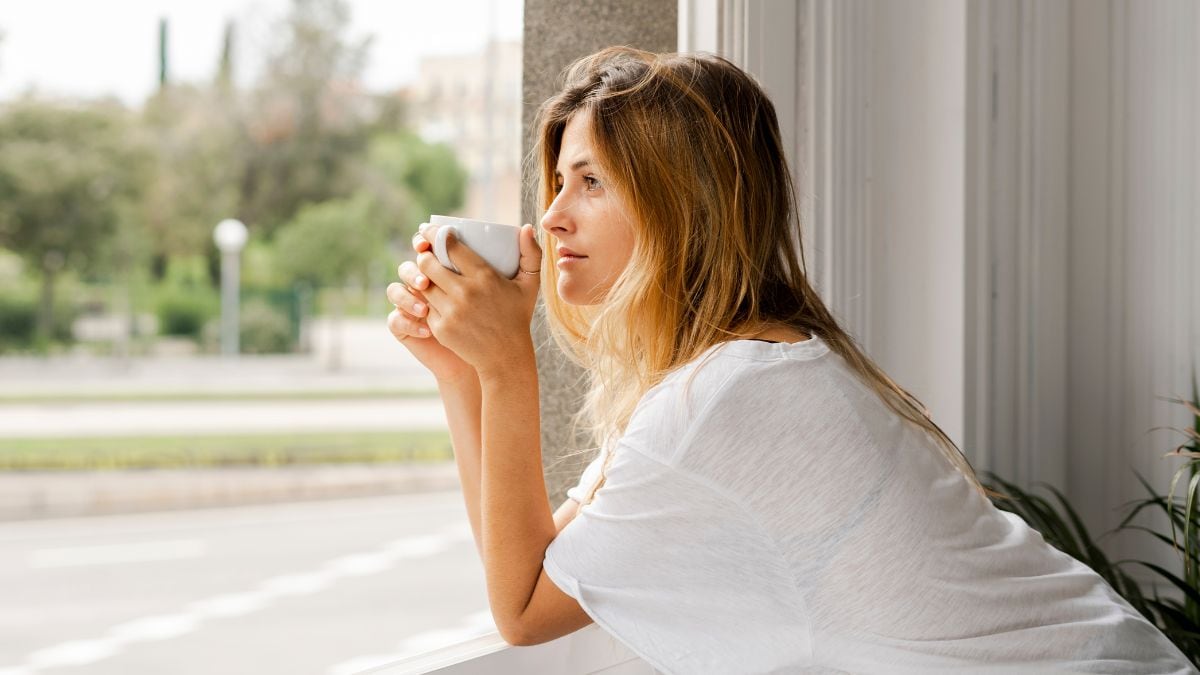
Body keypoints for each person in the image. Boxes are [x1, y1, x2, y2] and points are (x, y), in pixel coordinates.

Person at [385, 46, 1194, 674]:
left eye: (590, 181)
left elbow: (524, 608)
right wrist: (460, 369)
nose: (552, 216)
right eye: (558, 183)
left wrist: (504, 367)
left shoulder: (730, 401)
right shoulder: (733, 372)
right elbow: (538, 558)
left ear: (683, 203)